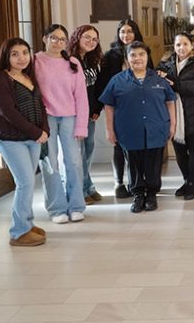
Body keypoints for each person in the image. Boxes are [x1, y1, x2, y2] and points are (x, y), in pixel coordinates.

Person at [0, 38, 49, 246]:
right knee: (25, 182)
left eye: (25, 52)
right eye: (15, 54)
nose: (21, 57)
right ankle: (19, 231)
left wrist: (44, 130)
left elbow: (40, 105)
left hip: (32, 138)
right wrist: (35, 132)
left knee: (29, 182)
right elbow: (9, 113)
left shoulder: (27, 75)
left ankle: (27, 224)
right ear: (6, 56)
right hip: (10, 139)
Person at [100, 41, 176, 213]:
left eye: (141, 54)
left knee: (153, 164)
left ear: (147, 57)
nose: (137, 58)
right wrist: (109, 130)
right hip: (129, 131)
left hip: (156, 128)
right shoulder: (117, 81)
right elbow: (109, 106)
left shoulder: (158, 79)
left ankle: (151, 195)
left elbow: (170, 101)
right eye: (133, 55)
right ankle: (138, 195)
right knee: (133, 164)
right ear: (127, 59)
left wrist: (173, 125)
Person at [34, 24, 89, 224]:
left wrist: (81, 125)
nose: (58, 42)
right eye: (54, 38)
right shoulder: (35, 61)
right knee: (50, 163)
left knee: (74, 162)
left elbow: (81, 97)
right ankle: (57, 208)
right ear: (45, 39)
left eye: (62, 39)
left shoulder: (73, 62)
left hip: (70, 117)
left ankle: (76, 206)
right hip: (46, 119)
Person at [94, 19, 150, 198]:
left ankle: (140, 182)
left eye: (130, 31)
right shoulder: (110, 56)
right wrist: (100, 106)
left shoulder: (143, 51)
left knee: (140, 145)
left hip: (140, 105)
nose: (126, 35)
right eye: (122, 32)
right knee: (119, 145)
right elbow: (102, 83)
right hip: (119, 106)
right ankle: (119, 182)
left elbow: (151, 74)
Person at [157, 32, 194, 200]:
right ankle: (187, 180)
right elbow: (158, 81)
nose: (181, 48)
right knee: (179, 152)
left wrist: (175, 85)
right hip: (173, 113)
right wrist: (167, 81)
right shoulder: (165, 64)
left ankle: (191, 184)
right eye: (178, 45)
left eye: (185, 44)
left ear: (192, 45)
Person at [67, 25, 103, 206]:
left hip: (90, 114)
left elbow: (93, 89)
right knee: (78, 153)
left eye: (94, 39)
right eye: (87, 37)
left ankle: (88, 185)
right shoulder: (70, 61)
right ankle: (80, 190)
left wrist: (97, 109)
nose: (91, 42)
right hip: (75, 115)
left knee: (88, 149)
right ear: (77, 37)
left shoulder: (90, 59)